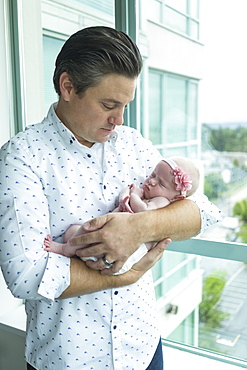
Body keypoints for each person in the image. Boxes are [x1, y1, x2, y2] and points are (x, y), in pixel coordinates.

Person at [0, 26, 223, 370]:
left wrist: (136, 228)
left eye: (125, 106)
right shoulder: (22, 157)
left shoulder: (132, 144)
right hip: (68, 361)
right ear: (68, 86)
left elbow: (203, 212)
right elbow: (26, 273)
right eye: (109, 105)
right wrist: (125, 276)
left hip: (144, 350)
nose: (118, 120)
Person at [44, 156, 200, 274]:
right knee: (74, 231)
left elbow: (144, 212)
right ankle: (72, 248)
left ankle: (66, 250)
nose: (151, 181)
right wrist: (127, 195)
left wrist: (135, 196)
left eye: (160, 183)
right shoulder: (149, 193)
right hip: (105, 239)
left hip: (120, 252)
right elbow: (125, 197)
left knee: (84, 232)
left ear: (176, 197)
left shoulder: (162, 202)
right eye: (153, 175)